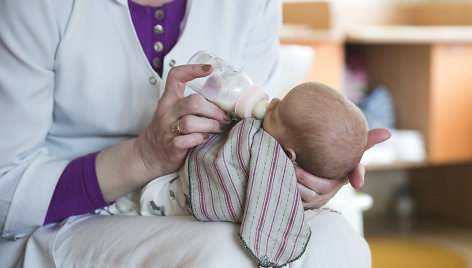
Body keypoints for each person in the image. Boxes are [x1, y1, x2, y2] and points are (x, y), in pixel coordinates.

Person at [0, 0, 390, 267]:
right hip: (64, 220)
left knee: (340, 242)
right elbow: (6, 193)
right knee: (229, 258)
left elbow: (263, 133)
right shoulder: (35, 8)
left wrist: (312, 170)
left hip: (202, 201)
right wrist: (144, 158)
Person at [106, 81, 368, 267]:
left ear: (289, 156)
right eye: (280, 99)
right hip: (140, 175)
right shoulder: (269, 135)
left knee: (340, 240)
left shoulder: (266, 157)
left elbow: (250, 192)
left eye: (277, 111)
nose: (273, 102)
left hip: (185, 192)